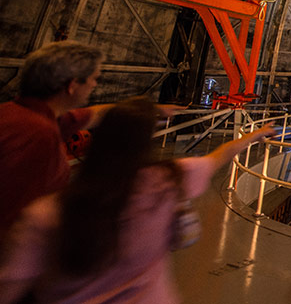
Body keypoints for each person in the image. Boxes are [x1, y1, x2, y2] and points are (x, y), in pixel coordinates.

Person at [0, 98, 274, 304]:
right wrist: (255, 135)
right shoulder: (169, 182)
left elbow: (10, 286)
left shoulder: (45, 214)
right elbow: (219, 157)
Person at [0, 41, 106, 239]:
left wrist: (147, 111)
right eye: (93, 79)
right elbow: (14, 220)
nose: (94, 85)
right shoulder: (38, 133)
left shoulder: (15, 112)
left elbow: (93, 115)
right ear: (72, 85)